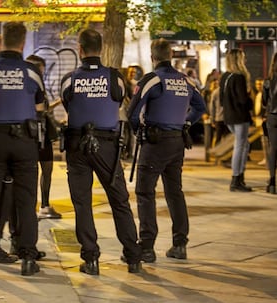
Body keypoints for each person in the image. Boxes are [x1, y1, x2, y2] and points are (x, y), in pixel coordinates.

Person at [60, 28, 142, 275]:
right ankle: (133, 257)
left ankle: (91, 258)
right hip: (108, 145)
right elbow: (119, 100)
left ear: (80, 49)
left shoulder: (69, 78)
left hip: (78, 144)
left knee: (82, 203)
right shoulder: (115, 77)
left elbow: (67, 103)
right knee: (119, 200)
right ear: (101, 49)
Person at [0, 22, 45, 277]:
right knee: (26, 201)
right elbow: (40, 103)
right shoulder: (32, 71)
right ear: (23, 43)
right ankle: (27, 258)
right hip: (24, 140)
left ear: (2, 41)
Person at [128, 38, 205, 262]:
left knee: (145, 192)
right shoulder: (186, 81)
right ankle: (180, 244)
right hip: (177, 142)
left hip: (155, 143)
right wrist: (187, 123)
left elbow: (133, 112)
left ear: (153, 57)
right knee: (175, 192)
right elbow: (200, 107)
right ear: (170, 55)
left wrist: (137, 131)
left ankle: (147, 247)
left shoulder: (151, 80)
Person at [26, 54, 62, 220]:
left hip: (44, 133)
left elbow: (44, 108)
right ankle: (31, 206)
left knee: (47, 169)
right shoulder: (27, 86)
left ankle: (45, 205)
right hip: (32, 134)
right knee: (32, 171)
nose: (41, 73)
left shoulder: (38, 85)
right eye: (39, 69)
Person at [219, 48, 253, 192]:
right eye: (243, 57)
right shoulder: (239, 77)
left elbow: (221, 100)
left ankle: (239, 178)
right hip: (240, 116)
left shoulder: (225, 76)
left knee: (244, 145)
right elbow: (243, 100)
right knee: (240, 146)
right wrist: (250, 99)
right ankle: (236, 179)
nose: (245, 60)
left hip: (228, 116)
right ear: (238, 60)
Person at [262, 52, 277, 194]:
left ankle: (272, 181)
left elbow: (264, 102)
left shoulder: (268, 80)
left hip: (272, 117)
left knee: (273, 148)